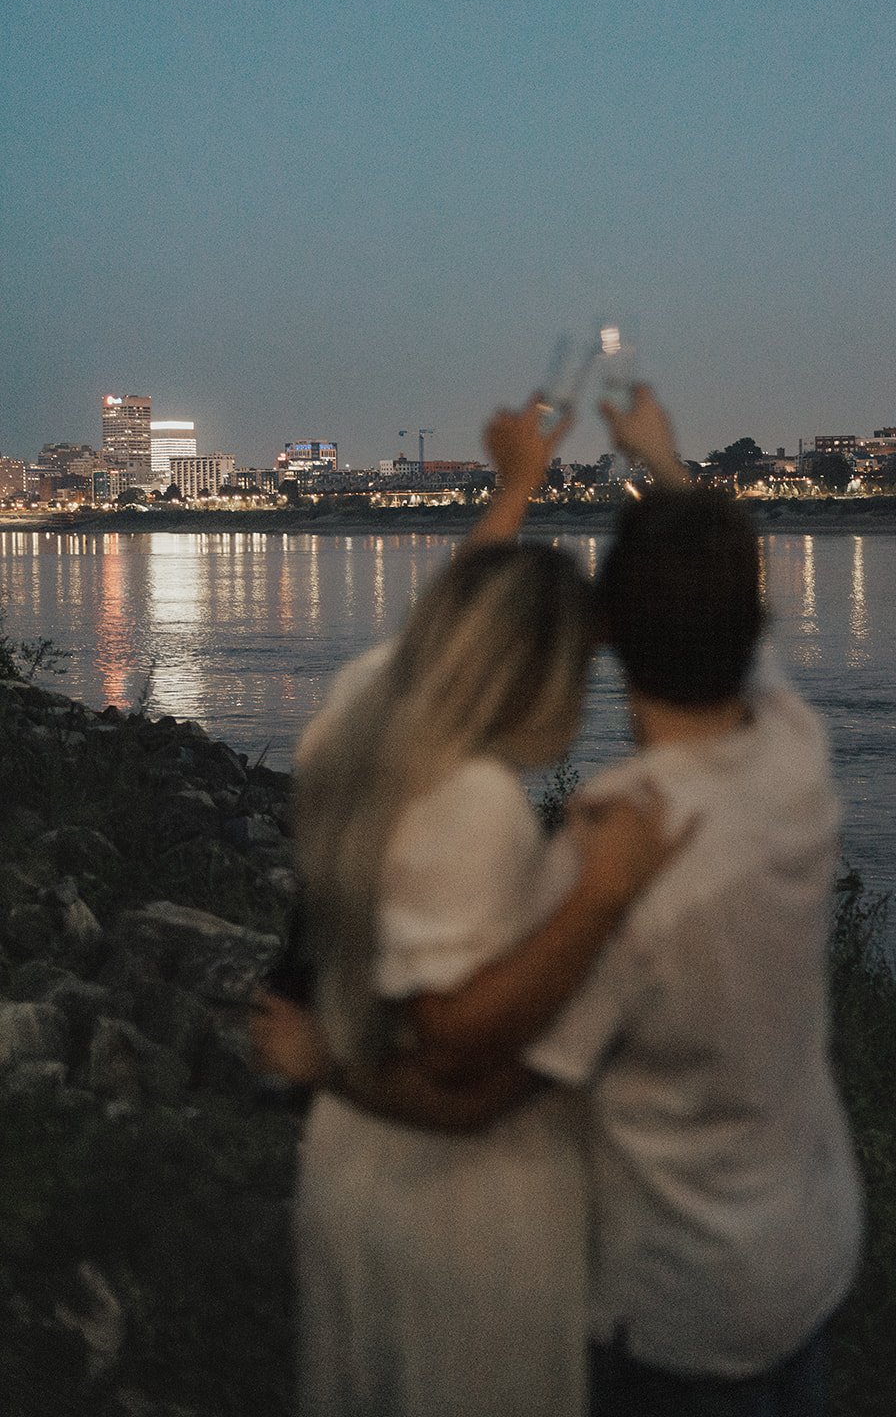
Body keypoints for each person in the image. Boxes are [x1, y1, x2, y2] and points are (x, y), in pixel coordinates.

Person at [256, 386, 861, 1416]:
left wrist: (327, 1069)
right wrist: (663, 466)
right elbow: (729, 624)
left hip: (676, 1306)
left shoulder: (602, 846)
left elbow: (473, 1073)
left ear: (614, 632)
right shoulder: (790, 755)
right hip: (803, 1258)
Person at [251, 399, 687, 1417]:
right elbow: (459, 1054)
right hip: (464, 1204)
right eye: (578, 669)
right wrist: (600, 895)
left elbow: (435, 637)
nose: (586, 698)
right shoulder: (478, 802)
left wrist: (516, 488)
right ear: (534, 674)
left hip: (348, 1174)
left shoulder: (359, 726)